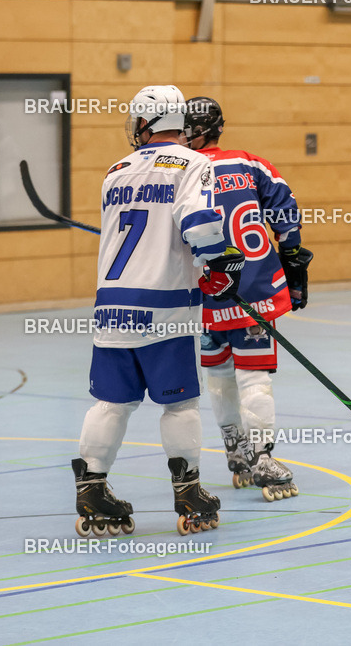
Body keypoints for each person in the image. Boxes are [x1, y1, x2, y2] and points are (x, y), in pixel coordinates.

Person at [74, 85, 245, 537]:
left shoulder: (116, 170)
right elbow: (197, 222)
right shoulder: (193, 162)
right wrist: (222, 262)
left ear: (145, 124)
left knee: (111, 402)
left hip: (111, 307)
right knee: (180, 403)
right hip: (164, 307)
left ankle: (91, 486)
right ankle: (188, 490)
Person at [184, 96, 312, 502]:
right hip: (253, 289)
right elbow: (286, 217)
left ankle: (236, 452)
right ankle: (262, 458)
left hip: (206, 293)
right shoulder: (251, 164)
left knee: (219, 373)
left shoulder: (179, 174)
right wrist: (294, 270)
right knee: (253, 375)